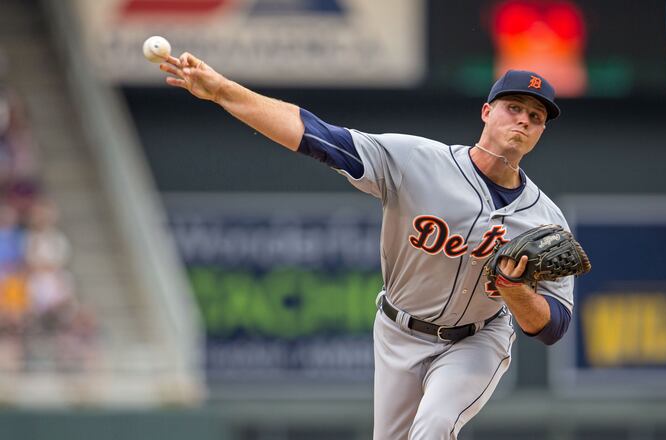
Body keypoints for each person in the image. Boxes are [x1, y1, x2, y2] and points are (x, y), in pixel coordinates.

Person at [159, 54, 574, 440]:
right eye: (513, 108)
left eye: (535, 117)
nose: (522, 120)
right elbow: (314, 135)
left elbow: (554, 325)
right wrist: (222, 91)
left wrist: (515, 290)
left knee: (434, 424)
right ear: (487, 112)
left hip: (479, 339)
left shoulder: (546, 220)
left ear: (540, 131)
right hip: (399, 331)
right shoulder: (415, 161)